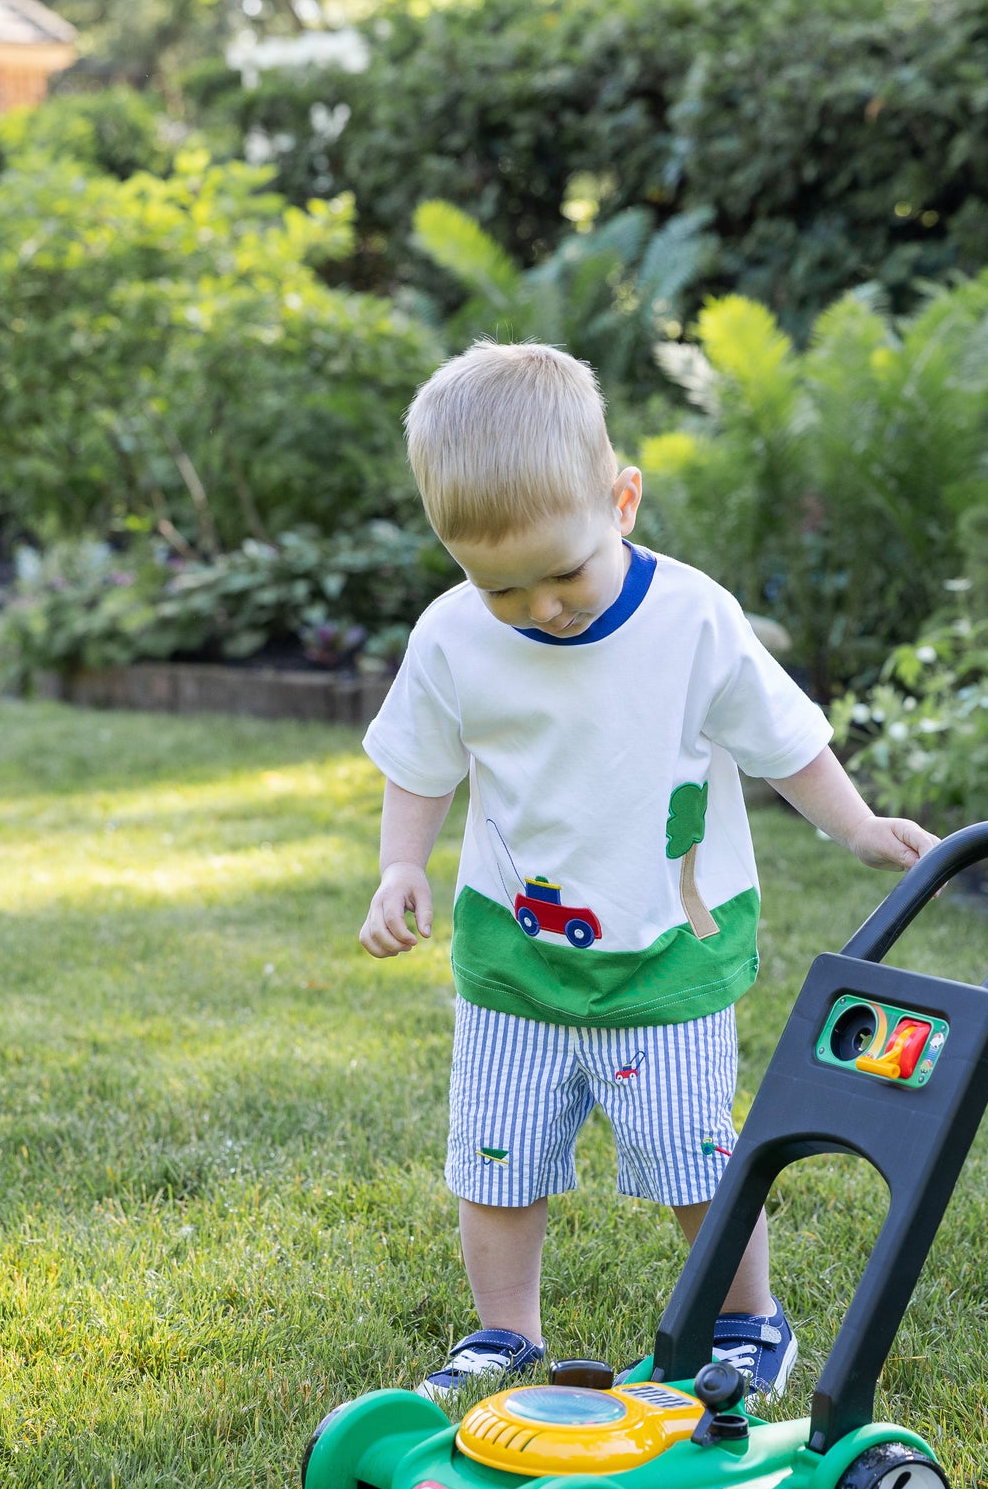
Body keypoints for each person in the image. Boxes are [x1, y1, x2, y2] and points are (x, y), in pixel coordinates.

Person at [359, 340, 939, 1406]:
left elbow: (782, 739)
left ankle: (744, 1320)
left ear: (621, 499)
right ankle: (501, 1333)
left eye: (563, 571)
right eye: (502, 586)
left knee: (693, 1153)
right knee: (494, 1159)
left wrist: (855, 826)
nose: (542, 607)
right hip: (512, 958)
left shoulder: (691, 620)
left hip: (665, 952)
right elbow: (419, 760)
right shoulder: (451, 637)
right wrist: (402, 863)